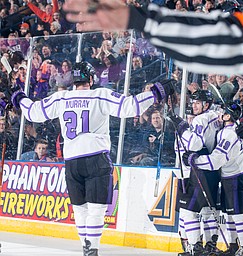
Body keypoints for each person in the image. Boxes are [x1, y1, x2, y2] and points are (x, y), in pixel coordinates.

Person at [63, 1, 243, 256]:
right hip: (218, 173)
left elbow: (232, 40)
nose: (195, 105)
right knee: (205, 212)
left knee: (216, 211)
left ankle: (224, 246)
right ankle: (206, 245)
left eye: (199, 102)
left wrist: (142, 19)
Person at [10, 61, 175, 256]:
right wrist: (156, 92)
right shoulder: (100, 95)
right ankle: (93, 249)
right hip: (96, 158)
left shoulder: (62, 97)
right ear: (90, 79)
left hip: (72, 162)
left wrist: (19, 98)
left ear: (73, 80)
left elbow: (33, 112)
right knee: (96, 209)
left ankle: (85, 248)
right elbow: (131, 107)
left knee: (80, 209)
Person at [183, 102, 243, 256]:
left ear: (228, 116)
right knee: (230, 213)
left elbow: (216, 161)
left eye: (223, 111)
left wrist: (194, 160)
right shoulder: (226, 130)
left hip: (235, 176)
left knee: (238, 213)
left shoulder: (229, 134)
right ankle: (234, 247)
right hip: (229, 177)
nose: (219, 113)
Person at [167, 90, 222, 256]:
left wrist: (182, 128)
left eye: (198, 102)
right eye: (194, 102)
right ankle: (210, 246)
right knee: (208, 209)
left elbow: (196, 144)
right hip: (212, 170)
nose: (194, 105)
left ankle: (195, 247)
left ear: (206, 104)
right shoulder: (215, 116)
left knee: (189, 210)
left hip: (199, 170)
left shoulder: (201, 119)